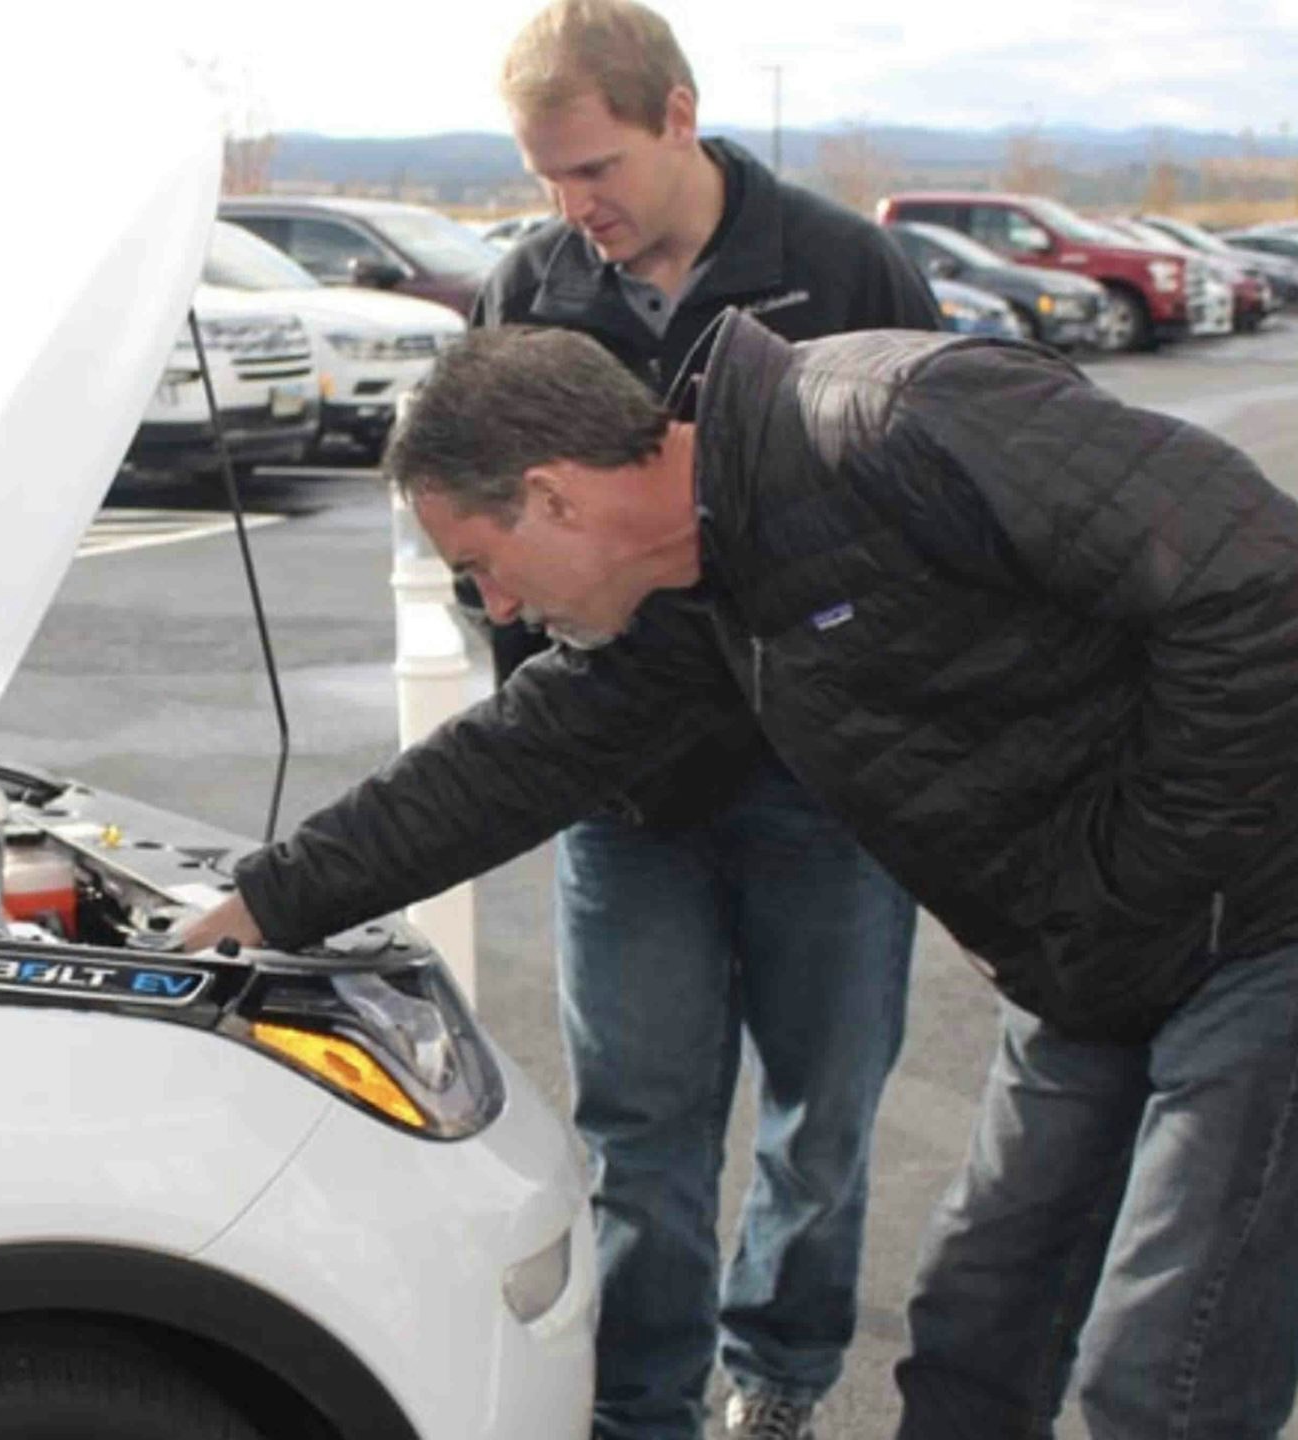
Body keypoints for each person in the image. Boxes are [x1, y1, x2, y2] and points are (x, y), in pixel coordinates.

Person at [184, 316, 1298, 1440]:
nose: (495, 609)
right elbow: (518, 756)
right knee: (974, 1335)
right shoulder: (712, 585)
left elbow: (1256, 582)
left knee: (1166, 1376)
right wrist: (265, 903)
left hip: (1281, 910)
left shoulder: (896, 420)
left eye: (482, 567)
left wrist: (1130, 879)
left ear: (552, 493)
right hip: (1094, 944)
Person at [457, 2, 939, 1435]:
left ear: (678, 114)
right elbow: (481, 534)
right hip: (626, 804)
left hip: (824, 796)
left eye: (594, 167)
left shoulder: (847, 268)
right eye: (547, 178)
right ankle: (642, 1409)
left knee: (824, 1119)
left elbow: (933, 521)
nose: (573, 207)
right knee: (641, 1136)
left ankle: (780, 1376)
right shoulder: (527, 290)